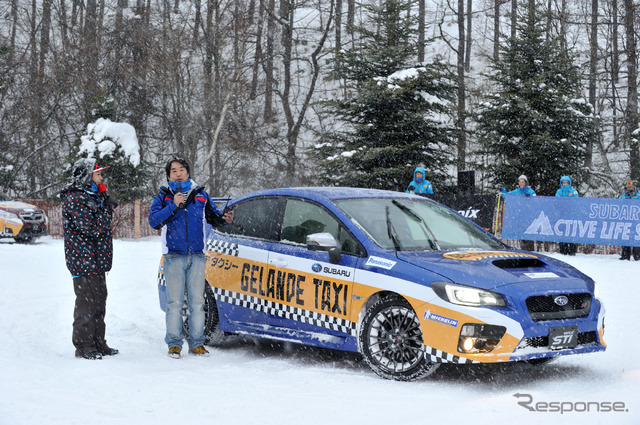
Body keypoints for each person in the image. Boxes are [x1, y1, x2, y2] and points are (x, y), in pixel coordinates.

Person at [148, 157, 234, 359]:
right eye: (174, 170)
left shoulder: (200, 194)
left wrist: (225, 219)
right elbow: (154, 221)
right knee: (175, 303)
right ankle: (174, 344)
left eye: (182, 169)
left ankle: (197, 343)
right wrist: (174, 206)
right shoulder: (163, 196)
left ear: (188, 172)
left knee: (197, 303)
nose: (178, 173)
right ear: (168, 175)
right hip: (173, 256)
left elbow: (214, 217)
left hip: (197, 256)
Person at [60, 158, 119, 360]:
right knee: (87, 303)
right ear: (86, 175)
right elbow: (91, 227)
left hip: (96, 259)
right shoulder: (75, 197)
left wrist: (103, 201)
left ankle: (98, 342)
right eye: (98, 174)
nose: (101, 178)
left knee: (99, 301)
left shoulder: (93, 195)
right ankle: (84, 346)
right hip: (82, 259)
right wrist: (106, 209)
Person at [501, 175, 536, 251]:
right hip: (519, 216)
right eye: (520, 182)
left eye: (523, 182)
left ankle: (530, 250)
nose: (521, 183)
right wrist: (502, 190)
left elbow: (535, 198)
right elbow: (506, 196)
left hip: (528, 216)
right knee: (521, 233)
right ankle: (524, 249)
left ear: (526, 182)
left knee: (529, 233)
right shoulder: (516, 191)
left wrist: (530, 197)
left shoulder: (530, 191)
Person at [555, 175, 579, 256]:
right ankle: (563, 249)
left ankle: (572, 250)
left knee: (571, 231)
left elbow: (576, 200)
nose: (565, 184)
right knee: (562, 231)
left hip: (571, 214)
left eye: (566, 182)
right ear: (561, 183)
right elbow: (557, 200)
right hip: (561, 214)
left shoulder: (573, 191)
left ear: (569, 183)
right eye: (563, 182)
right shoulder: (559, 191)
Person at [619, 180, 640, 261]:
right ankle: (625, 255)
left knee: (636, 238)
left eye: (631, 187)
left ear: (634, 187)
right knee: (625, 237)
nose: (629, 188)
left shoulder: (638, 195)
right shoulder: (623, 196)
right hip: (626, 220)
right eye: (628, 187)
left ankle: (637, 255)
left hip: (637, 220)